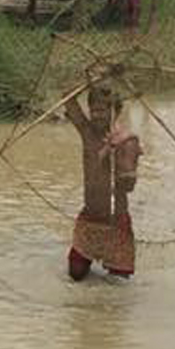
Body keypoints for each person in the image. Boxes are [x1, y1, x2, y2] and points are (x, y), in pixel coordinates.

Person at [63, 83, 140, 280]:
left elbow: (128, 186)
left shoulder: (127, 140)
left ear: (113, 110)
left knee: (118, 284)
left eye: (103, 110)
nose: (97, 115)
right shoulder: (87, 133)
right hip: (91, 217)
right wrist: (88, 80)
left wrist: (118, 153)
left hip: (116, 221)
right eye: (94, 110)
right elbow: (68, 97)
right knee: (76, 275)